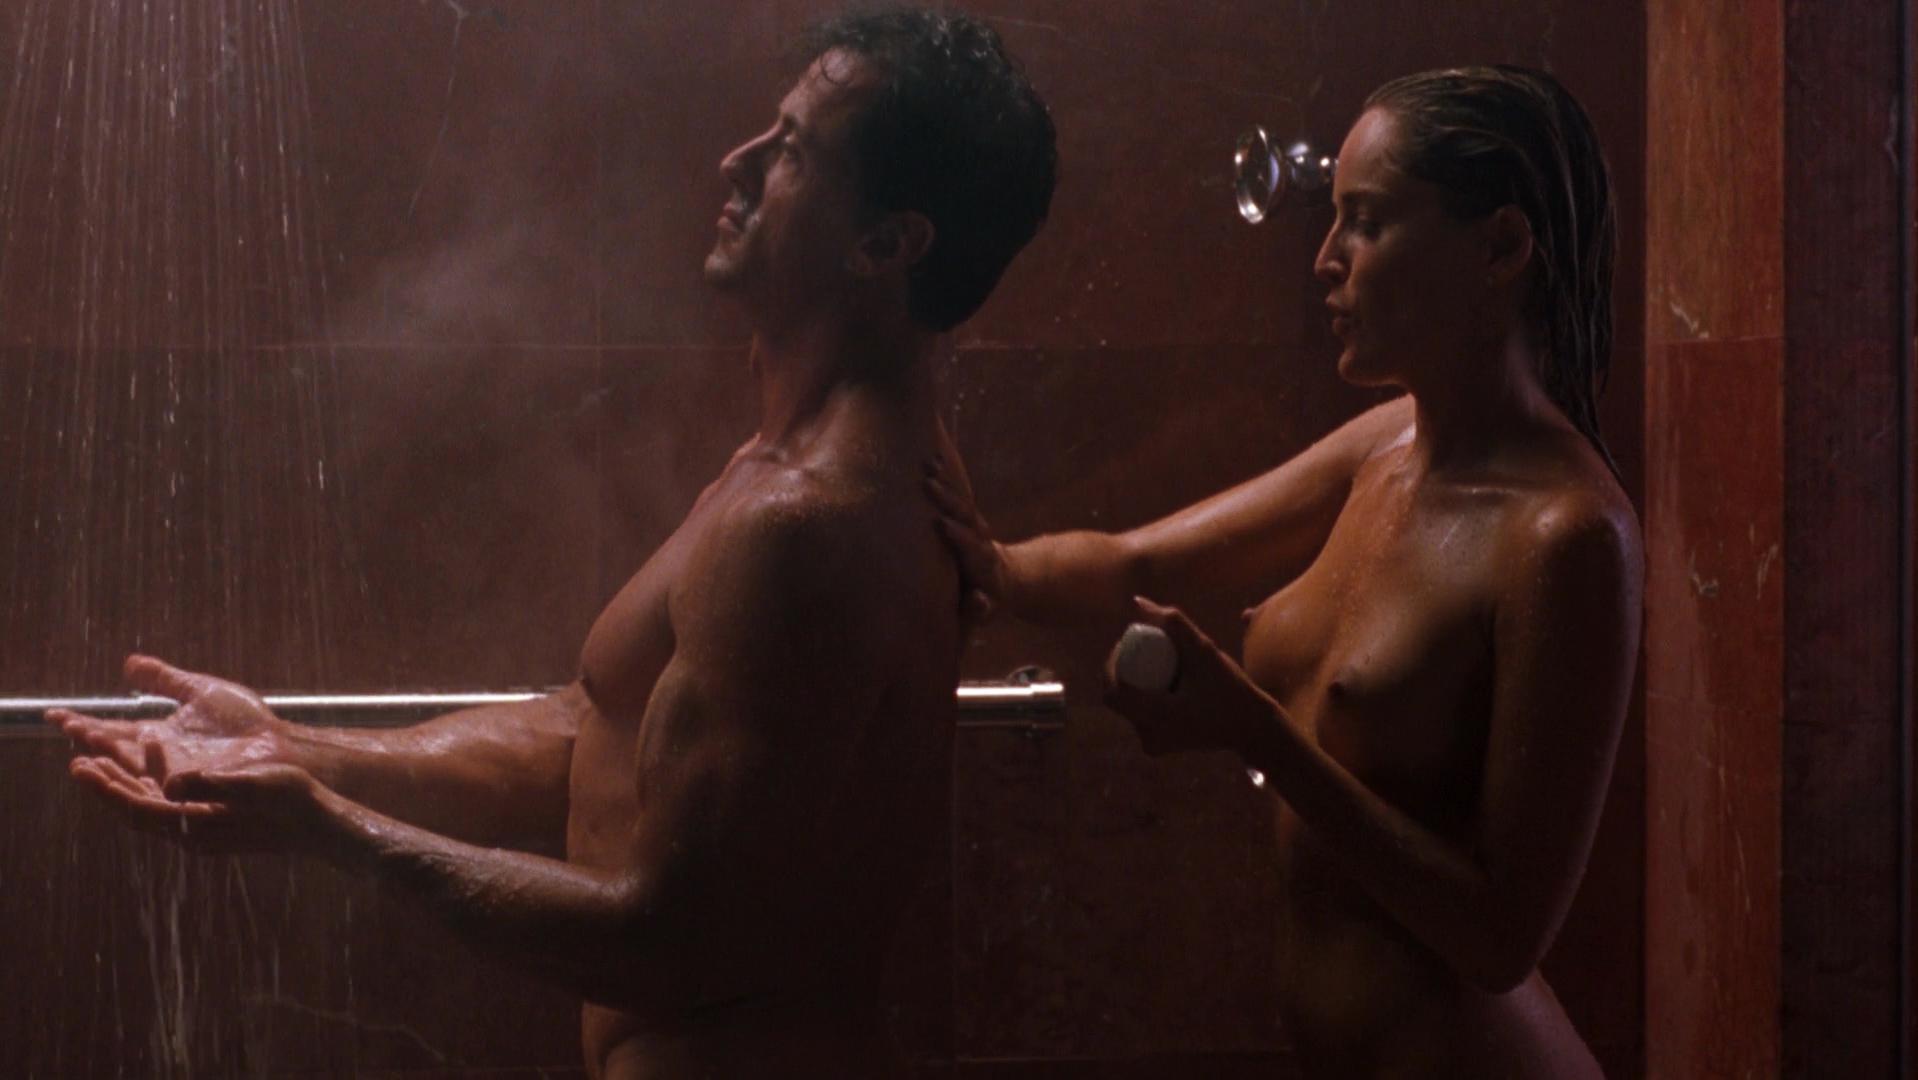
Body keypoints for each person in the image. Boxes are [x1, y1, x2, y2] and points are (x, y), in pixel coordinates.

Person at [49, 8, 1056, 1078]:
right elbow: (600, 731)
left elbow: (668, 945)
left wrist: (327, 827)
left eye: (796, 150)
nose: (740, 160)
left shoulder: (808, 525)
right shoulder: (795, 467)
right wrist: (292, 748)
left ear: (886, 244)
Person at [929, 66, 1639, 1078]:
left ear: (1499, 247)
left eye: (1367, 222)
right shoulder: (1382, 447)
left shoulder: (1566, 536)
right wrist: (982, 565)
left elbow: (1499, 941)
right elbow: (1136, 560)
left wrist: (1255, 731)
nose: (1324, 259)